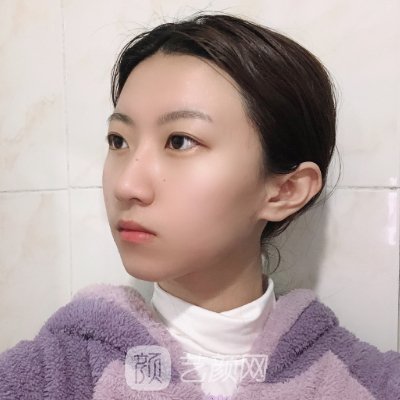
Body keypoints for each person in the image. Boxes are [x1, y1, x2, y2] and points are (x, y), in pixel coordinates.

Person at [1, 11, 399, 400]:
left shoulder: (370, 384)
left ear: (285, 191)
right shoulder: (50, 375)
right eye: (118, 141)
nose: (126, 185)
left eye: (180, 141)